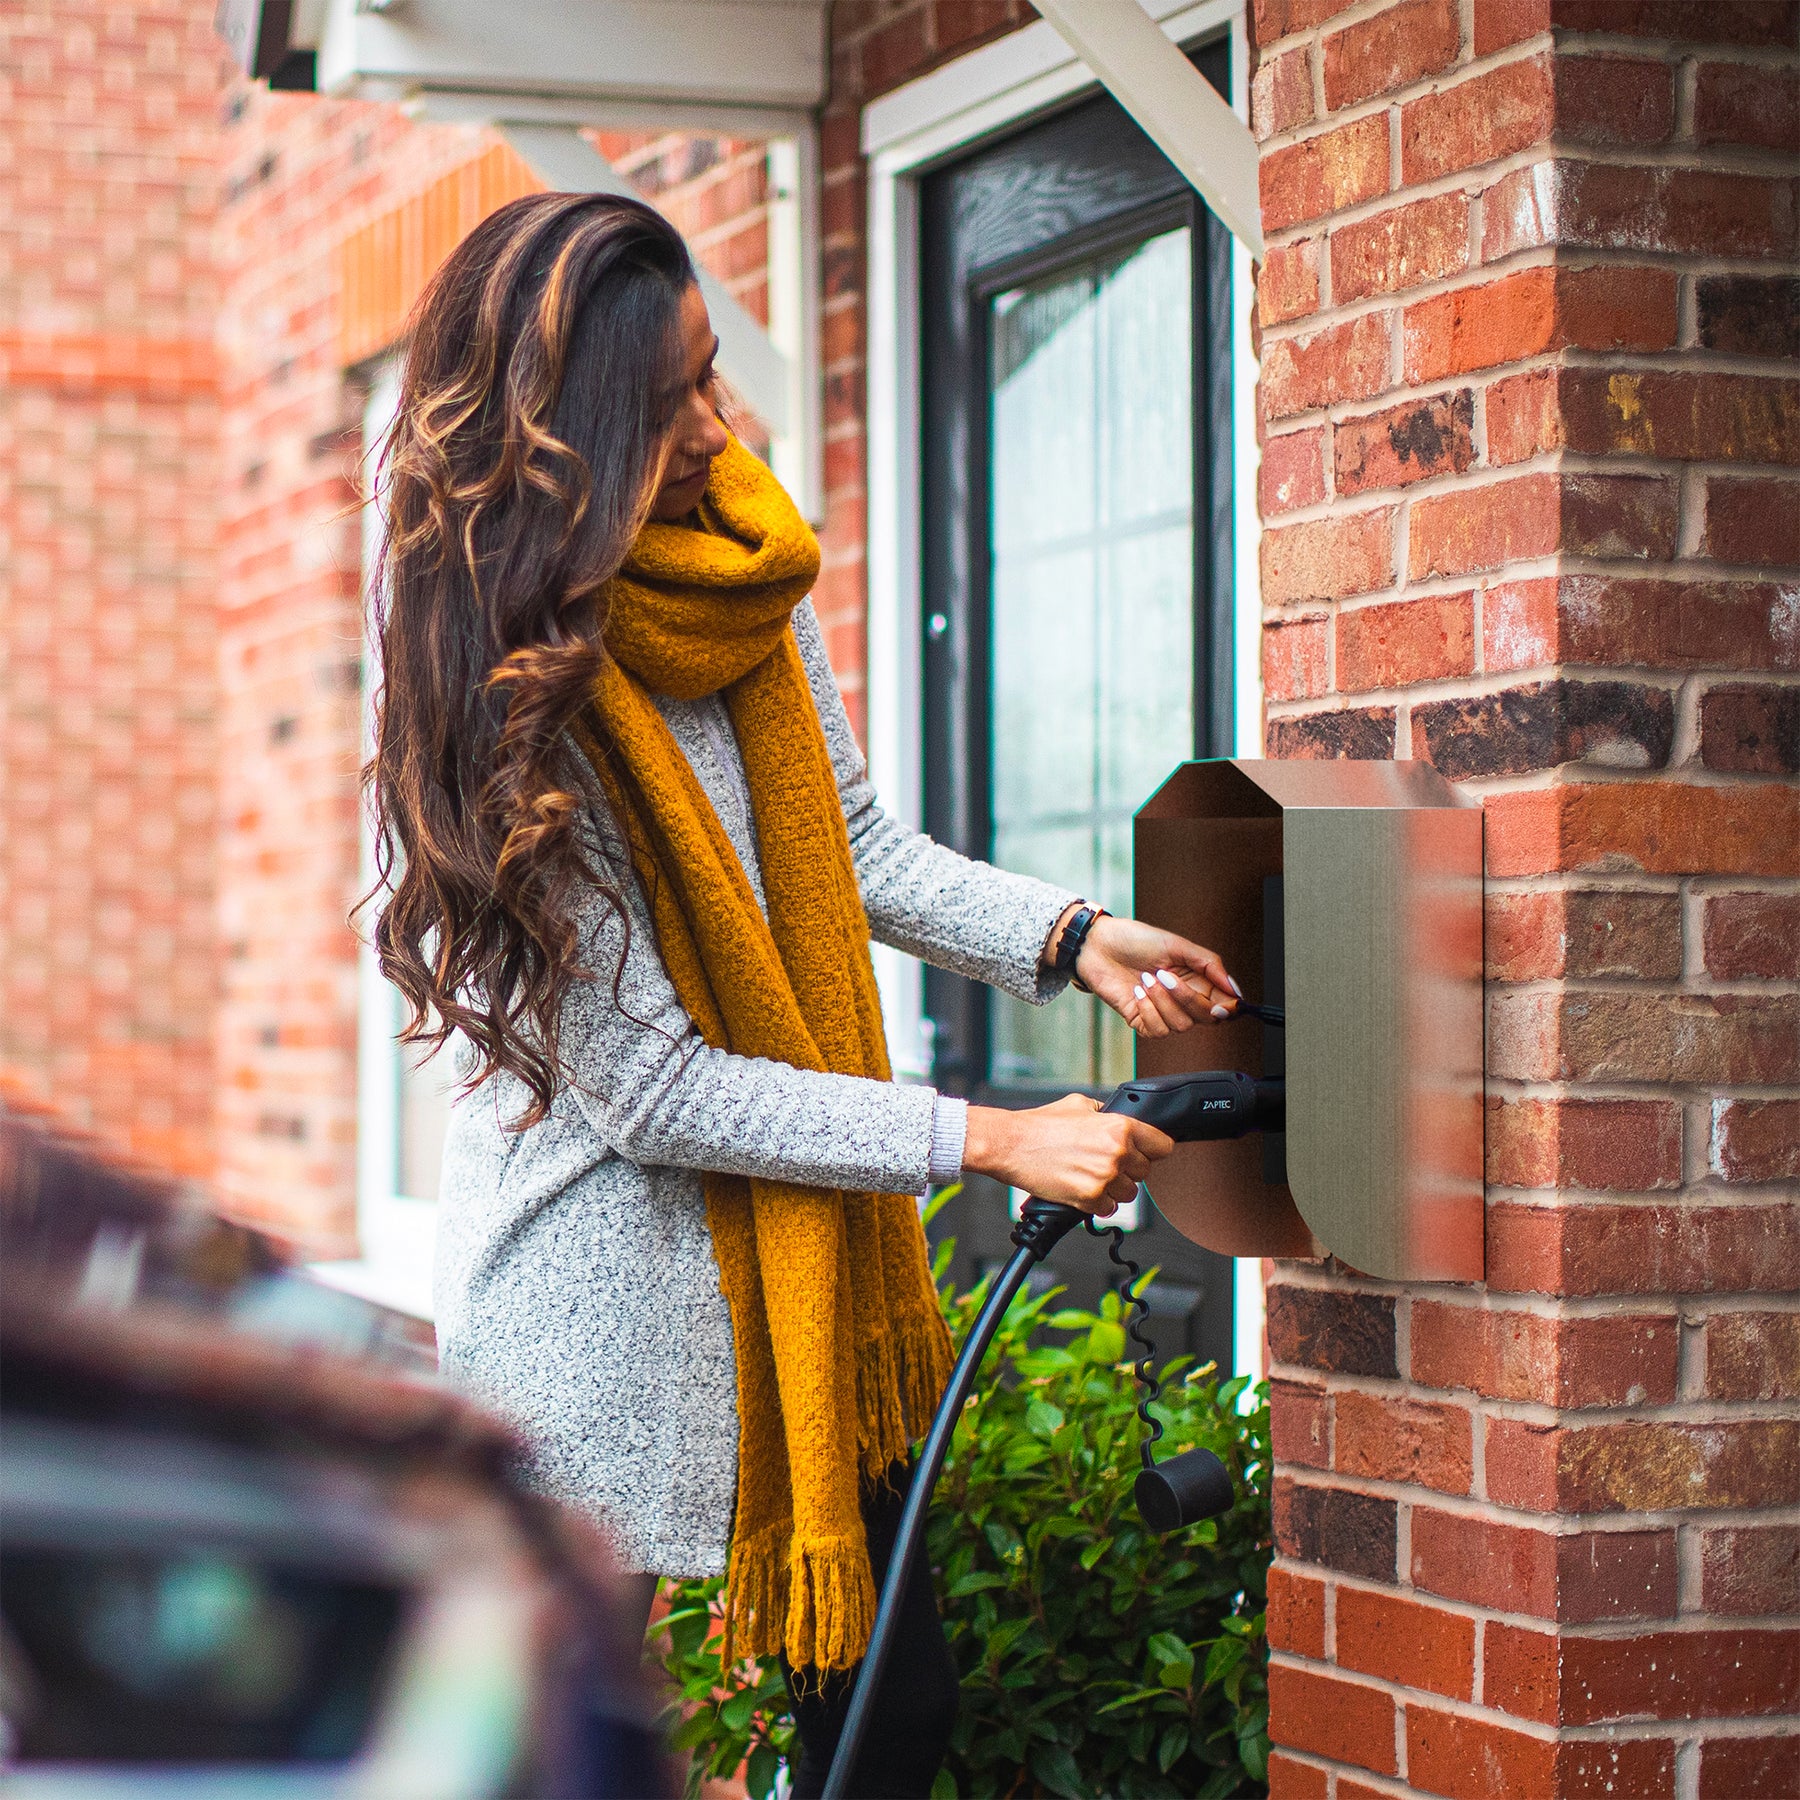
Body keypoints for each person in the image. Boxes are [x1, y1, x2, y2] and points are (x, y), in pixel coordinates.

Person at [367, 190, 1243, 1800]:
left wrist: (1069, 936)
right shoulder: (500, 706)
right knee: (577, 1765)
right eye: (677, 401)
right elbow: (658, 1091)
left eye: (714, 375)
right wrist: (984, 1138)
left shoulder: (740, 574)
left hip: (803, 1297)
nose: (721, 425)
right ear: (569, 442)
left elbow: (848, 846)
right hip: (600, 1327)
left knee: (892, 1719)